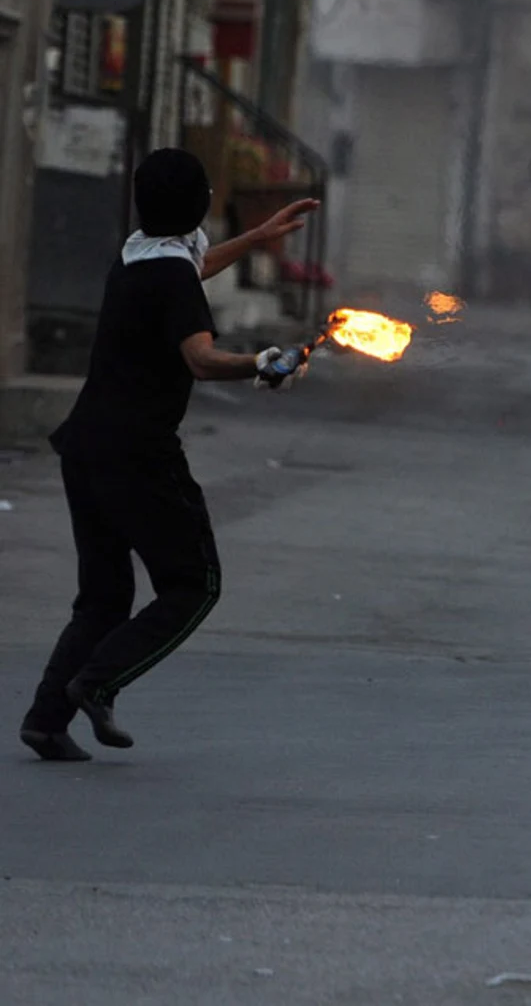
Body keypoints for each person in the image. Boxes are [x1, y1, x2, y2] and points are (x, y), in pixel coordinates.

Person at [19, 149, 315, 762]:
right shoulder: (170, 278)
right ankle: (99, 681)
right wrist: (260, 363)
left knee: (103, 597)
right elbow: (202, 359)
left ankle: (48, 721)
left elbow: (193, 265)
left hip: (87, 446)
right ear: (199, 203)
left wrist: (258, 238)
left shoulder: (137, 254)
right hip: (138, 456)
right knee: (194, 584)